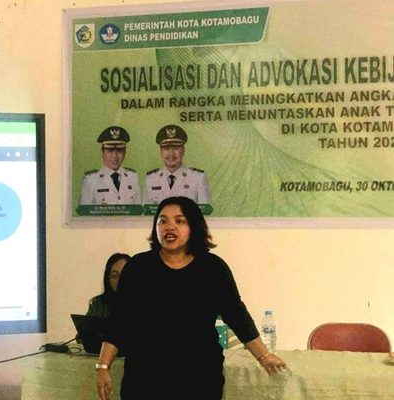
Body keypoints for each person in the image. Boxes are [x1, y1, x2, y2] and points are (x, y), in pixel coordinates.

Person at [95, 196, 286, 399]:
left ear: (194, 227)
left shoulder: (213, 269)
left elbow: (237, 316)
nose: (169, 227)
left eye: (179, 221)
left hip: (199, 377)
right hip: (145, 378)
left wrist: (264, 356)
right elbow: (119, 321)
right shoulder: (138, 267)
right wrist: (103, 366)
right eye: (162, 221)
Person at [144, 124, 212, 205]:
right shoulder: (151, 179)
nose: (171, 154)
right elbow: (146, 211)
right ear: (161, 152)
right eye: (166, 149)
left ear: (183, 151)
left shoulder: (198, 178)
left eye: (176, 148)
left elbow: (205, 211)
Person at [80, 126, 141, 205]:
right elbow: (85, 211)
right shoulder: (90, 180)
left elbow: (137, 209)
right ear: (102, 152)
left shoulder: (132, 177)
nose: (115, 156)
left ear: (125, 152)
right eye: (110, 150)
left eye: (119, 150)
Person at [86, 253, 131, 318]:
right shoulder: (98, 305)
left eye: (125, 274)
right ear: (108, 279)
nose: (120, 280)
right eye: (114, 276)